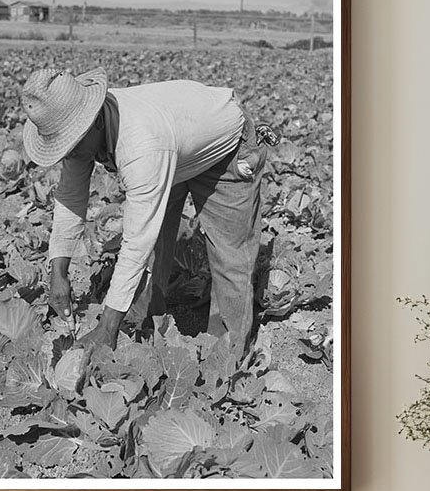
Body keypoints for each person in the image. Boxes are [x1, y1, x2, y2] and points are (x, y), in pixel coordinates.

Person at [20, 66, 270, 353]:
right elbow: (70, 199)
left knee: (229, 255)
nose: (69, 152)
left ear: (96, 123)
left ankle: (227, 356)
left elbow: (136, 241)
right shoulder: (82, 134)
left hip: (225, 148)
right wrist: (58, 271)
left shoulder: (140, 145)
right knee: (155, 249)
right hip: (177, 142)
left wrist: (105, 327)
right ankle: (141, 331)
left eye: (71, 143)